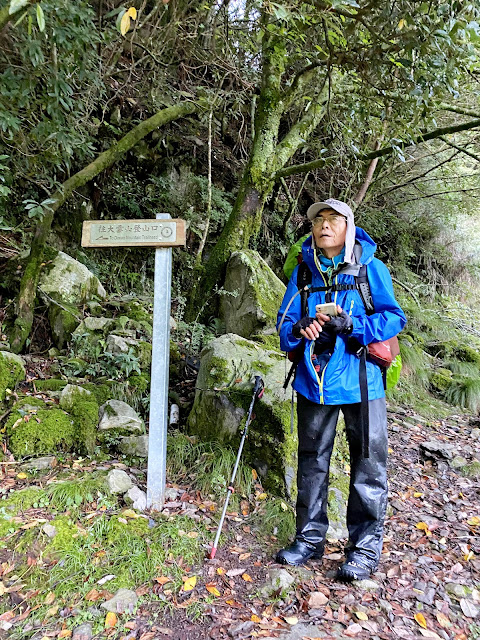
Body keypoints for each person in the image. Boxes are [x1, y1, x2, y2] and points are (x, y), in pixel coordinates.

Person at [276, 198, 406, 581]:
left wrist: (352, 327)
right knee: (312, 461)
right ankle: (309, 538)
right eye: (318, 220)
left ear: (349, 227)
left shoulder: (370, 269)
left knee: (369, 465)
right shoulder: (302, 274)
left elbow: (394, 317)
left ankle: (364, 549)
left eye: (333, 220)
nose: (324, 226)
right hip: (314, 381)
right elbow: (284, 329)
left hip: (362, 381)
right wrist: (300, 329)